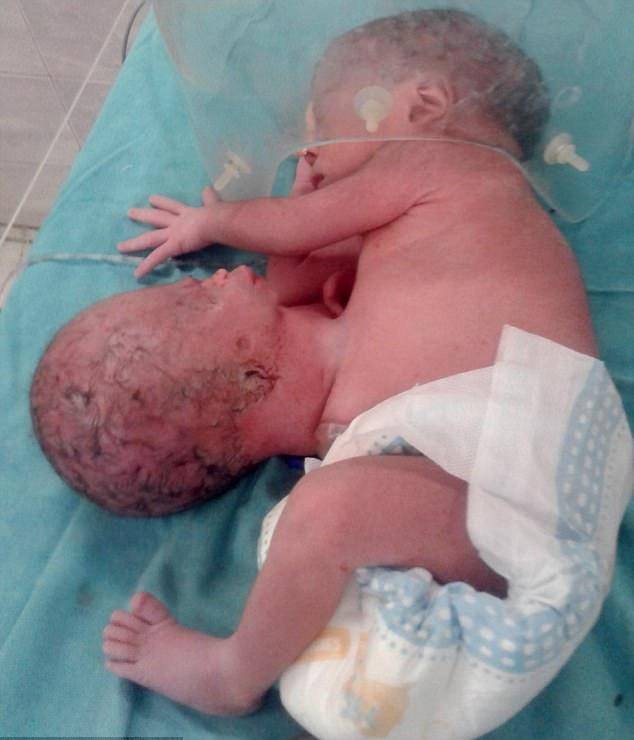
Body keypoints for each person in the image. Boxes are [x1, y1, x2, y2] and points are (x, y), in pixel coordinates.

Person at [31, 9, 598, 718]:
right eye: (191, 300)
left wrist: (223, 221)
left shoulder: (449, 166)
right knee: (332, 527)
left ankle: (232, 675)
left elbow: (296, 234)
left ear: (423, 106)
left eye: (320, 129)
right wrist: (258, 225)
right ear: (235, 386)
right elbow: (300, 266)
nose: (305, 154)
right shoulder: (434, 226)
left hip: (518, 498)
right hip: (453, 494)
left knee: (325, 512)